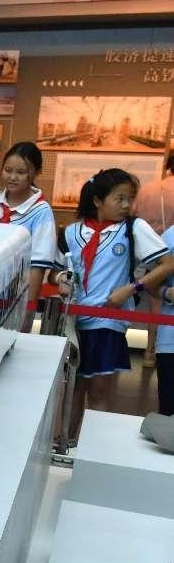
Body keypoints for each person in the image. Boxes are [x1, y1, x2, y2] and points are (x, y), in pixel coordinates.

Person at [51, 168, 174, 440]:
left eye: (129, 199)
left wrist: (132, 288)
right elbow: (55, 268)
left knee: (100, 391)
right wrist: (61, 278)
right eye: (119, 199)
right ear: (97, 200)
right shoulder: (72, 232)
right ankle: (65, 445)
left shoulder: (133, 228)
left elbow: (167, 264)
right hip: (73, 320)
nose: (126, 205)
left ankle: (93, 450)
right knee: (71, 388)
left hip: (108, 322)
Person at [0, 142, 57, 327]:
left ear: (36, 173)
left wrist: (27, 313)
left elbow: (37, 267)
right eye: (7, 170)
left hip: (16, 301)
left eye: (21, 172)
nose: (12, 177)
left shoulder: (41, 211)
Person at [136, 154, 174, 367]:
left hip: (150, 248)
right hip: (171, 247)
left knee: (155, 300)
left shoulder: (148, 189)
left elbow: (133, 215)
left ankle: (150, 350)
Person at [157, 220, 174, 415]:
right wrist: (168, 293)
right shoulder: (171, 235)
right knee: (169, 417)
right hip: (171, 341)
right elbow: (149, 281)